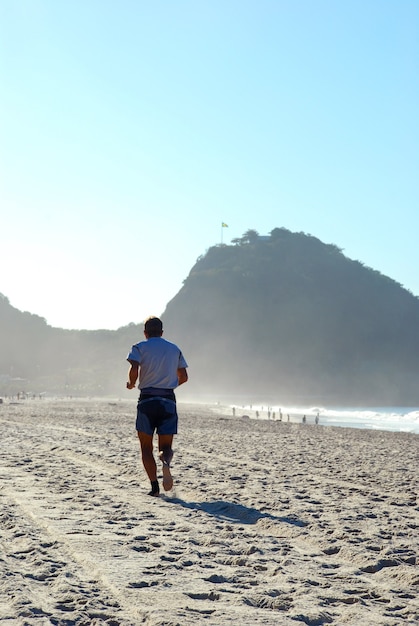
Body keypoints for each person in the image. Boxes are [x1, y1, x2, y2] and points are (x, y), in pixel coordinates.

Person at [126, 316, 188, 496]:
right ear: (162, 332)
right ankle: (165, 462)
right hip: (168, 400)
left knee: (146, 447)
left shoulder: (139, 347)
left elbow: (134, 368)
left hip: (146, 400)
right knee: (166, 447)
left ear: (145, 333)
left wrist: (131, 383)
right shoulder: (174, 349)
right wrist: (168, 385)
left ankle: (154, 486)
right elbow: (184, 377)